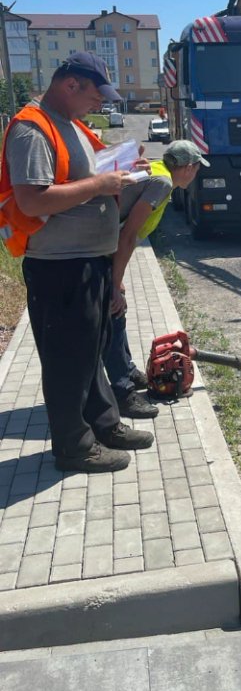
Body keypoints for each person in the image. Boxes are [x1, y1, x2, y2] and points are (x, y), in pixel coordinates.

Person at [0, 52, 154, 473]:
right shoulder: (32, 130)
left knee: (90, 352)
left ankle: (104, 424)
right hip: (60, 265)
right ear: (71, 85)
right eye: (95, 95)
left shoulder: (71, 124)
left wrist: (122, 172)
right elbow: (33, 199)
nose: (99, 104)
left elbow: (83, 176)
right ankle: (73, 448)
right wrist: (100, 185)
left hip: (88, 260)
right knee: (69, 360)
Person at [103, 140, 209, 416]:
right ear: (187, 168)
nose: (196, 174)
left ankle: (127, 371)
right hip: (98, 252)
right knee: (113, 317)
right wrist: (115, 282)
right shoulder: (162, 183)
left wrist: (118, 277)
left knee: (118, 313)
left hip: (103, 250)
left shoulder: (158, 171)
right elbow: (126, 235)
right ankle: (122, 392)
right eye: (196, 168)